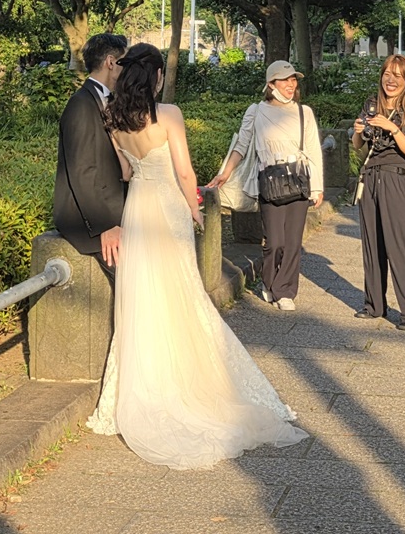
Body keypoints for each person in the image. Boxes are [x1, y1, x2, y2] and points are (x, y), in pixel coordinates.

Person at [87, 43, 307, 468]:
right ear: (155, 76)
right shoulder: (168, 114)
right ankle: (189, 380)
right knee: (182, 293)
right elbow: (185, 171)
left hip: (137, 209)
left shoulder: (113, 117)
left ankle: (146, 383)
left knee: (144, 297)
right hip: (168, 208)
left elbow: (126, 172)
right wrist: (194, 208)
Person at [207, 61, 323, 311]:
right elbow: (242, 145)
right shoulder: (257, 111)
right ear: (271, 84)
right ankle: (270, 282)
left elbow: (313, 150)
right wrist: (225, 173)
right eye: (285, 80)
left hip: (298, 178)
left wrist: (317, 187)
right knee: (274, 241)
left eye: (294, 80)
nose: (291, 85)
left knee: (293, 242)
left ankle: (285, 291)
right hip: (270, 180)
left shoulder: (304, 112)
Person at [351, 54, 405, 330]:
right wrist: (358, 130)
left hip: (397, 179)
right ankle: (373, 305)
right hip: (370, 176)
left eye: (398, 75)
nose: (391, 80)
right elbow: (358, 146)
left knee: (401, 245)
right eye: (387, 74)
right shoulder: (371, 105)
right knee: (372, 243)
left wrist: (393, 128)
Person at [53, 33, 129, 272]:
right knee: (131, 277)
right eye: (124, 62)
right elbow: (82, 170)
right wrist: (105, 226)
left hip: (115, 211)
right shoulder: (81, 105)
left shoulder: (108, 100)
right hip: (89, 222)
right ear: (110, 62)